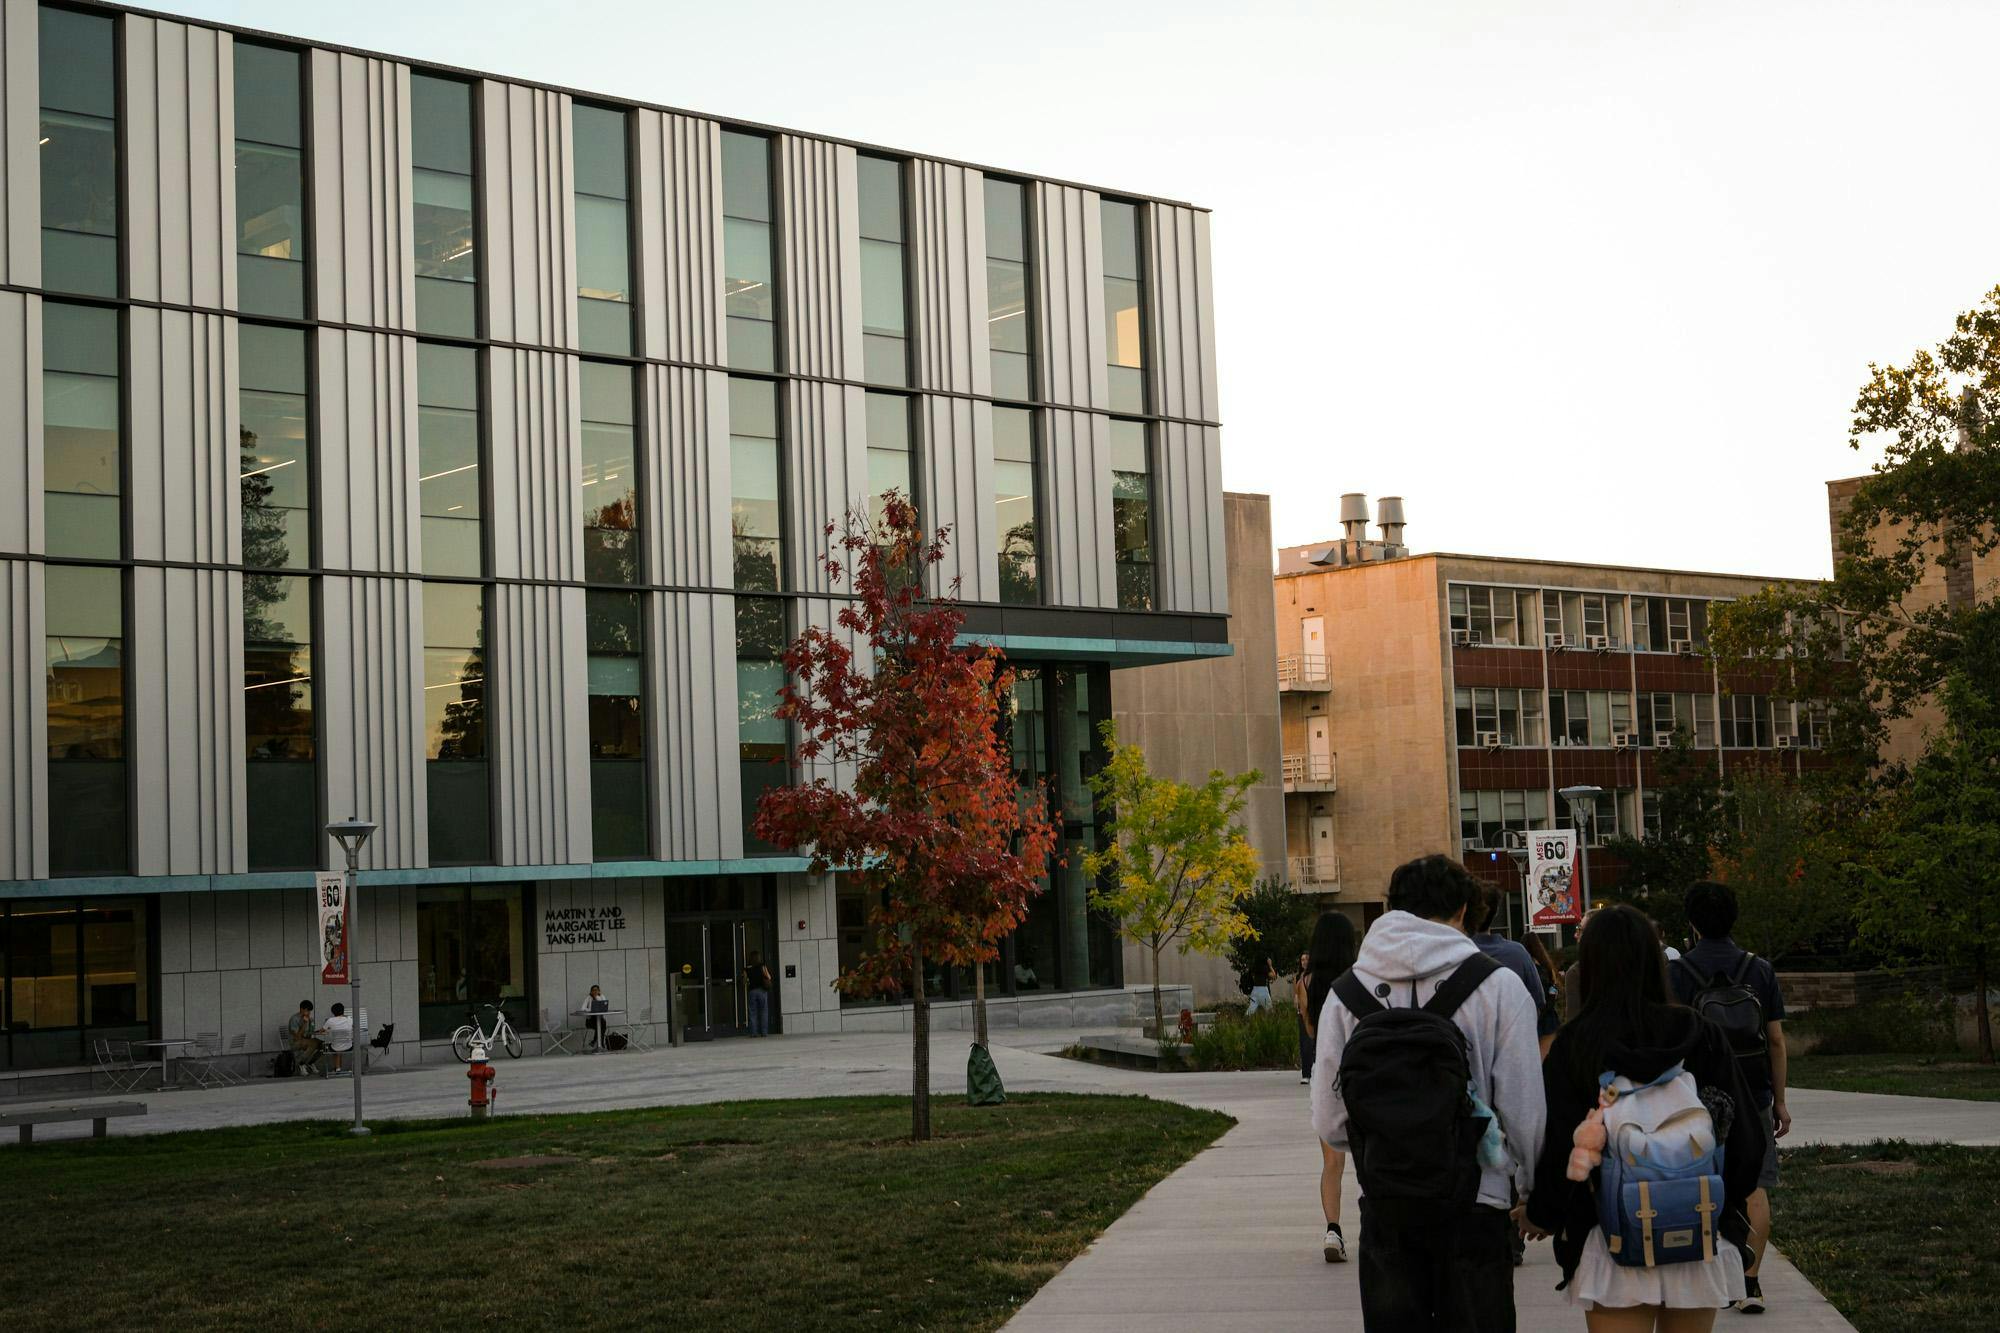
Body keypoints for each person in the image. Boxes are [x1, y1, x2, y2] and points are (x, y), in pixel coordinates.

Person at [1312, 855, 1545, 1329]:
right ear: (1462, 910)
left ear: (1392, 909)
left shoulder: (1345, 993)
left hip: (1387, 1201)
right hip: (1479, 1202)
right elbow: (1524, 1110)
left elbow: (1330, 1123)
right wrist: (1531, 1191)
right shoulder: (1499, 987)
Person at [1526, 904, 1767, 1330]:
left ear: (1592, 966)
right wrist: (1720, 1203)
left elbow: (1563, 1142)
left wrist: (1544, 1213)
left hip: (1610, 1236)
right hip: (1696, 1229)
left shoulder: (1576, 1045)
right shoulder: (1699, 1032)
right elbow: (1746, 1136)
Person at [1669, 882, 1789, 1316]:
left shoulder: (1678, 973)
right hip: (1753, 1091)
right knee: (1755, 1186)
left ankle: (1700, 1277)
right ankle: (1750, 1282)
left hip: (1694, 1096)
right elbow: (1775, 1040)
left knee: (1696, 1185)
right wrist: (1779, 1100)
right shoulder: (1760, 969)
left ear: (1692, 923)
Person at [1295, 912, 1358, 1262]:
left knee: (1332, 1162)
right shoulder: (1358, 980)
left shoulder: (1306, 983)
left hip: (1324, 1073)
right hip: (1360, 1070)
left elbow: (1310, 1032)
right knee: (1368, 1155)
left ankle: (1333, 1230)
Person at [287, 999, 322, 1074]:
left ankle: (311, 1062)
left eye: (310, 1011)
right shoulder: (294, 1019)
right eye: (307, 1010)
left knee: (323, 1045)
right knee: (313, 1043)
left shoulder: (311, 1019)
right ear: (301, 1009)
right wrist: (305, 1023)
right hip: (295, 1042)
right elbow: (297, 1036)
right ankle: (301, 1064)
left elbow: (310, 1033)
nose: (308, 1013)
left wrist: (319, 1031)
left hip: (306, 1040)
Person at [320, 1002, 354, 1077]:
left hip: (335, 1047)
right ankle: (338, 1068)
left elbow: (321, 1031)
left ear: (333, 1012)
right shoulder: (349, 1019)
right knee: (340, 1046)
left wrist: (328, 1030)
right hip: (348, 1046)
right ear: (343, 1010)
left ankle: (337, 1068)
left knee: (335, 1047)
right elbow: (354, 1027)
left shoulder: (330, 1020)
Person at [745, 952, 774, 1036]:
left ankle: (754, 1033)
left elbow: (745, 980)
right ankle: (764, 1032)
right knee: (764, 1011)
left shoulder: (747, 968)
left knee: (752, 1012)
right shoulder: (762, 966)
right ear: (758, 958)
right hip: (762, 990)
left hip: (752, 991)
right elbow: (769, 977)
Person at [583, 984, 610, 1051]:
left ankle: (595, 1041)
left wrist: (598, 997)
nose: (595, 992)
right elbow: (583, 1008)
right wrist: (590, 1009)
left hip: (600, 1019)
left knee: (602, 1024)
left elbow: (604, 1006)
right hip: (590, 1021)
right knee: (602, 1026)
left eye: (597, 990)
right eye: (593, 990)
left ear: (599, 991)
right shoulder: (588, 998)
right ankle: (601, 1044)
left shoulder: (601, 996)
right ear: (591, 991)